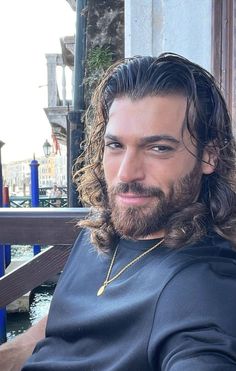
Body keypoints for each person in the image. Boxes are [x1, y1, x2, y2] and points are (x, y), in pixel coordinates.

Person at [1, 53, 236, 370]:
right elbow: (45, 337)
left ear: (208, 157)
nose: (126, 173)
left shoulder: (200, 285)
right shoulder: (99, 230)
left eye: (158, 148)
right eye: (116, 145)